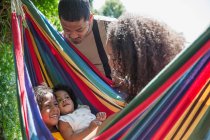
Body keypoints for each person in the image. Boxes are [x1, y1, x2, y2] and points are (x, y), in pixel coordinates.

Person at [106, 13, 186, 103]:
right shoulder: (146, 80)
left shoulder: (163, 89)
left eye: (114, 57)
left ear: (133, 57)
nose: (110, 62)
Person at [58, 0, 115, 79]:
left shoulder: (111, 29)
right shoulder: (59, 41)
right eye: (67, 30)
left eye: (79, 30)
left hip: (113, 88)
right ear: (60, 20)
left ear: (90, 18)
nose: (74, 36)